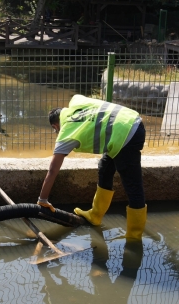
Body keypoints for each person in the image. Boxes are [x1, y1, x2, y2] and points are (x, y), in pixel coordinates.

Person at [37, 94, 147, 240]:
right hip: (130, 121)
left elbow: (52, 170)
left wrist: (42, 200)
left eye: (55, 130)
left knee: (133, 186)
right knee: (105, 168)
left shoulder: (66, 132)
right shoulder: (76, 101)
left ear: (55, 126)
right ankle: (95, 215)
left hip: (126, 135)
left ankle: (134, 237)